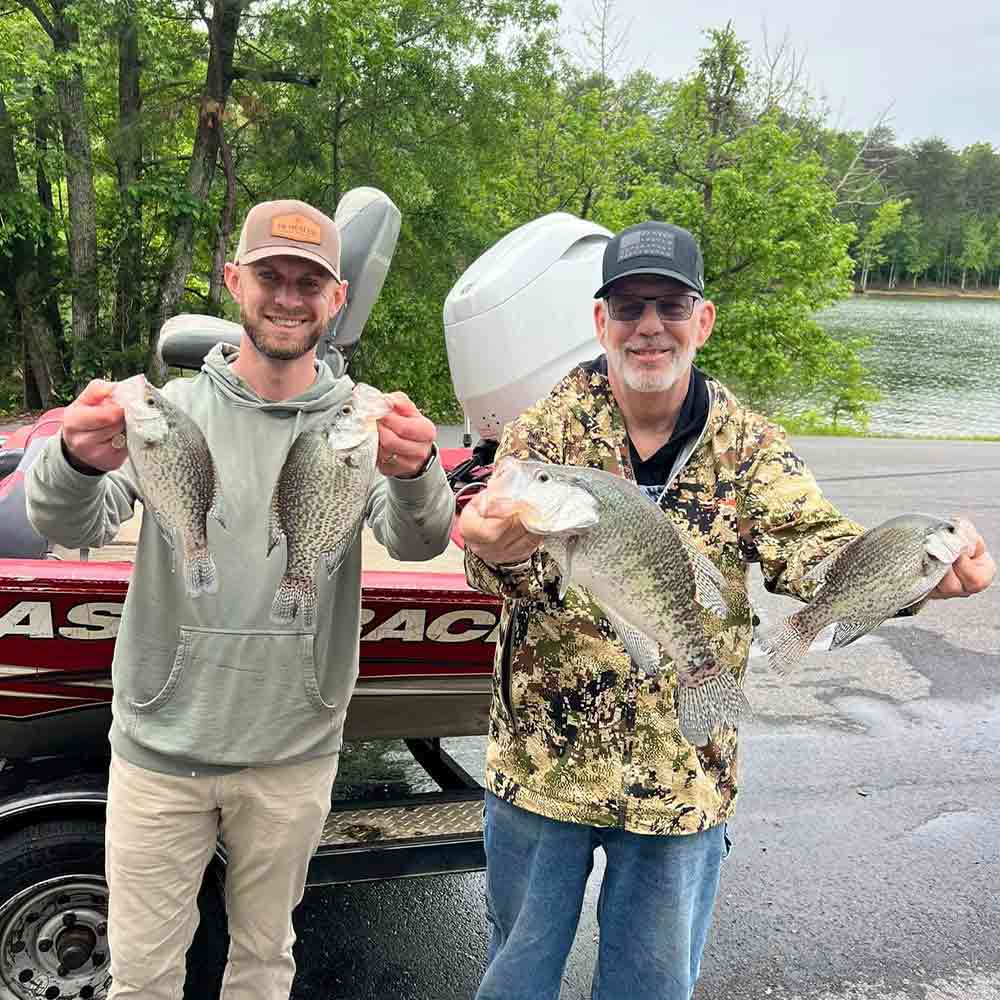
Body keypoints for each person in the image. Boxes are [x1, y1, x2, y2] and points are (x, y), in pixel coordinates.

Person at [459, 220, 996, 1000]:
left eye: (671, 306)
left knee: (651, 988)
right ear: (600, 322)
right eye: (629, 307)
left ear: (702, 320)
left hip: (684, 777)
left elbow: (812, 546)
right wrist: (497, 550)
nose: (650, 326)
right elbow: (490, 562)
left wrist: (910, 575)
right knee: (515, 979)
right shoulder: (544, 435)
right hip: (542, 768)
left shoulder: (750, 447)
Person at [25, 198, 456, 1000]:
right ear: (234, 282)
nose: (288, 297)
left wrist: (419, 473)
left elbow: (420, 540)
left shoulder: (358, 424)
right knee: (142, 977)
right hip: (160, 751)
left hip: (294, 753)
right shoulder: (172, 413)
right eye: (270, 277)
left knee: (263, 966)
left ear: (337, 298)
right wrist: (74, 461)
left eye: (309, 282)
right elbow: (70, 519)